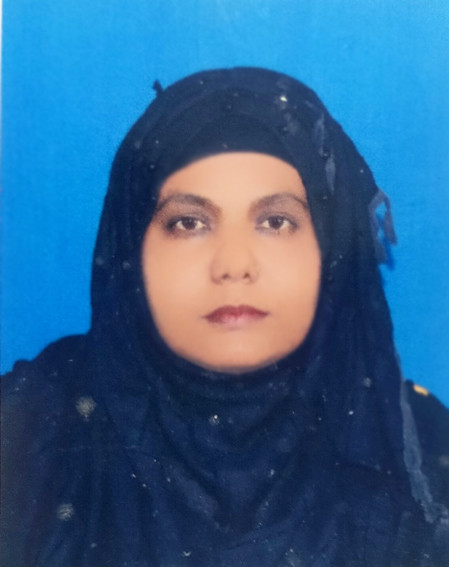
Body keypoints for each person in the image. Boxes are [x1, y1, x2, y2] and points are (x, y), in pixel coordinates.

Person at [1, 67, 448, 567]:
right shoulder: (27, 435)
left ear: (329, 252)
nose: (234, 264)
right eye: (189, 223)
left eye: (275, 222)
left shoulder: (422, 458)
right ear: (133, 249)